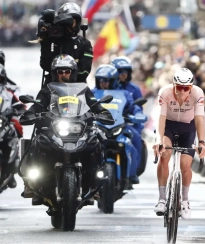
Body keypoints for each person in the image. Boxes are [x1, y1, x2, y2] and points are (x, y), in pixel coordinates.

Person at [20, 54, 113, 204]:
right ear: (54, 73)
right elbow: (36, 105)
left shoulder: (83, 90)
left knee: (96, 141)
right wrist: (30, 113)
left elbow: (95, 105)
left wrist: (102, 112)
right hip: (53, 128)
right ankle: (31, 184)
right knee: (36, 142)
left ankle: (94, 181)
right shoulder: (47, 90)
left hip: (78, 129)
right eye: (60, 71)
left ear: (73, 72)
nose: (63, 74)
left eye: (67, 71)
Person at [153, 68, 205, 220]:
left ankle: (184, 200)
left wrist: (202, 142)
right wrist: (158, 140)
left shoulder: (198, 93)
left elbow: (199, 119)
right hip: (168, 127)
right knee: (165, 155)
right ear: (173, 85)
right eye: (179, 87)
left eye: (186, 88)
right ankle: (162, 199)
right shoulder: (165, 92)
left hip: (187, 128)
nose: (182, 92)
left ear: (191, 87)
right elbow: (161, 118)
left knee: (185, 164)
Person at [92, 64, 143, 184]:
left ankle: (132, 174)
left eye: (107, 80)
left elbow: (133, 107)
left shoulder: (124, 93)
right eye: (101, 80)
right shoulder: (91, 93)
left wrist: (138, 114)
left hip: (119, 126)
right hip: (97, 128)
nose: (103, 83)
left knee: (134, 141)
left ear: (114, 81)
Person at [37, 2, 93, 85]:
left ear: (77, 23)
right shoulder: (52, 41)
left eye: (72, 21)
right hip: (52, 86)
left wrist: (65, 76)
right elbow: (45, 65)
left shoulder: (84, 44)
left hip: (78, 87)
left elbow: (84, 72)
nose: (70, 25)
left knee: (91, 98)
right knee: (39, 98)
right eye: (67, 21)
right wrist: (45, 41)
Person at [111, 57, 144, 179]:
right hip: (107, 124)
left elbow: (137, 108)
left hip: (126, 123)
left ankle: (133, 172)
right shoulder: (107, 86)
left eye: (126, 71)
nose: (123, 74)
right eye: (120, 71)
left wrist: (137, 120)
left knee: (136, 139)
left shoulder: (134, 89)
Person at [0, 64, 25, 189]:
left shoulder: (8, 93)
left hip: (4, 121)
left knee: (17, 127)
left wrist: (18, 110)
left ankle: (13, 163)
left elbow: (19, 105)